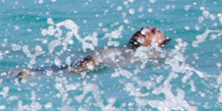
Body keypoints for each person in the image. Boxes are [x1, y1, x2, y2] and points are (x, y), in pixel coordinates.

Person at [13, 27, 168, 80]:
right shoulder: (114, 48)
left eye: (152, 32)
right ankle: (31, 73)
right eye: (143, 29)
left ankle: (34, 75)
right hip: (92, 61)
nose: (143, 31)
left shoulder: (151, 54)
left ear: (158, 42)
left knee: (66, 70)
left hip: (94, 63)